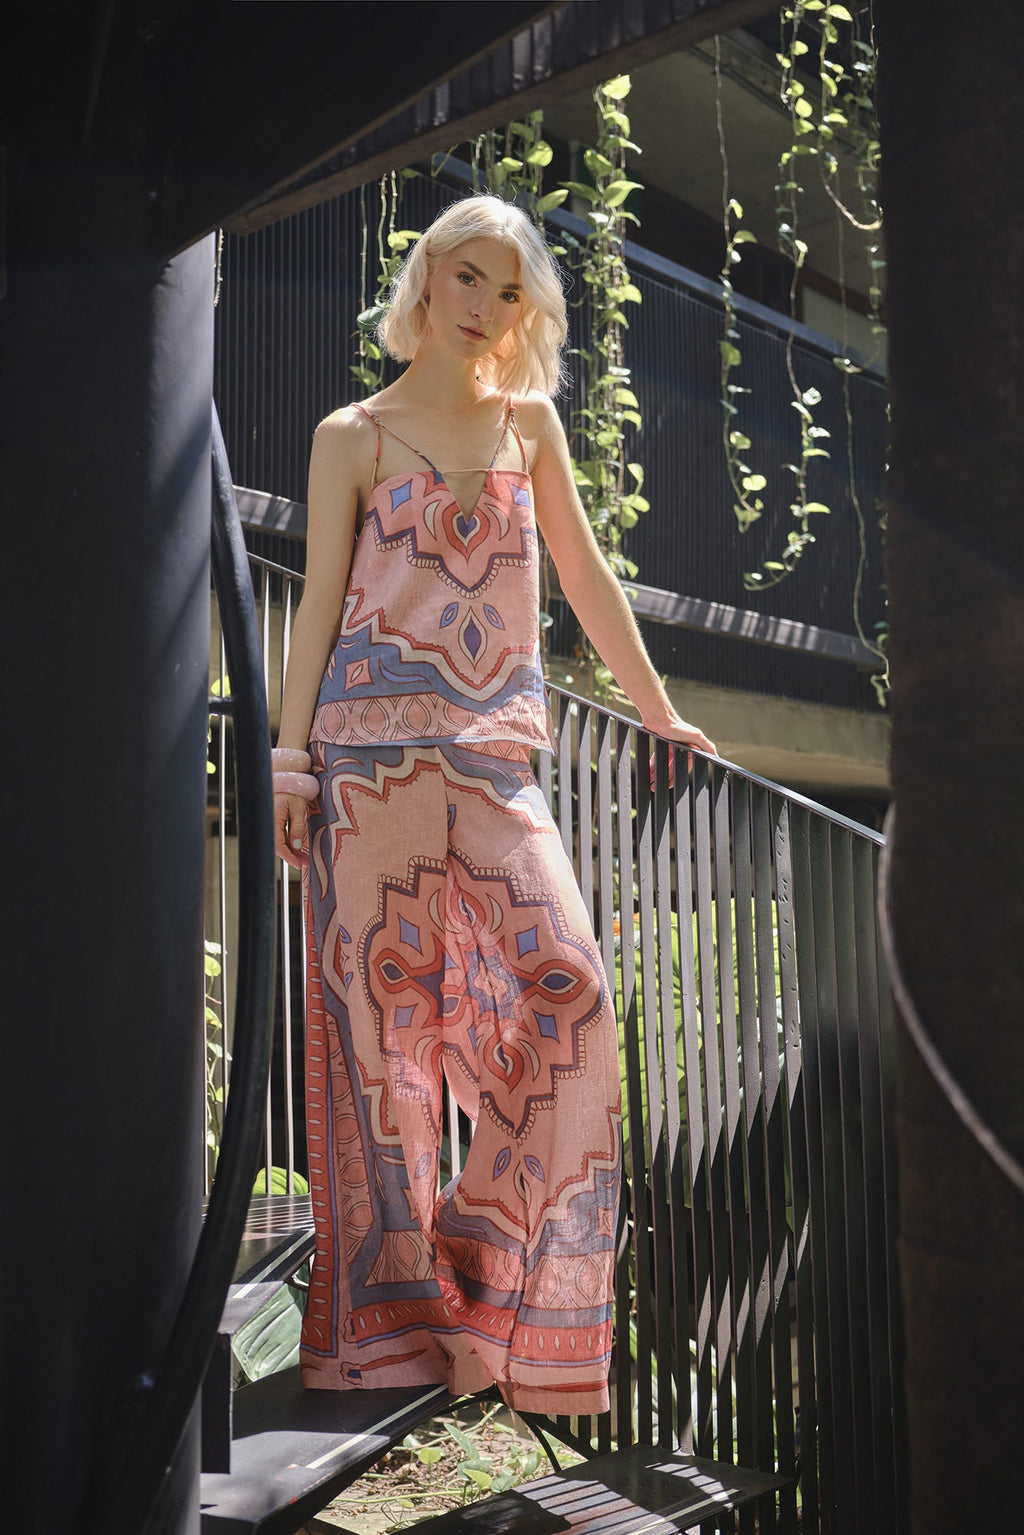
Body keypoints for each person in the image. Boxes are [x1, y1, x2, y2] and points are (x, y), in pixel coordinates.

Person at [272, 194, 715, 1416]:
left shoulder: (529, 425)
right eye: (468, 276)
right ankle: (408, 1332)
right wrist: (290, 764)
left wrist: (657, 708)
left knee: (572, 994)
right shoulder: (350, 434)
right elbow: (319, 603)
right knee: (383, 1057)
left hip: (493, 765)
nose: (484, 305)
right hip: (366, 768)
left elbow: (584, 572)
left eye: (508, 290)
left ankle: (480, 1256)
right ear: (426, 278)